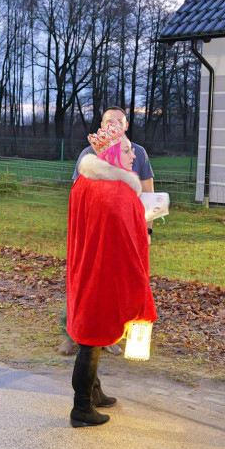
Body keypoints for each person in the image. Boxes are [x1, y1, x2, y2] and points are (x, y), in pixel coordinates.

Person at [66, 123, 156, 427]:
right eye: (128, 151)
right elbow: (129, 242)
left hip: (86, 268)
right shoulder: (117, 191)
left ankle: (94, 391)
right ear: (115, 155)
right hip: (104, 274)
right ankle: (81, 408)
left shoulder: (85, 181)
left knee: (90, 333)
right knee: (92, 337)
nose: (134, 157)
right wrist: (139, 285)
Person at [60, 107, 155, 356]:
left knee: (101, 296)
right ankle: (76, 335)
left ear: (126, 125)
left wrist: (146, 230)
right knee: (89, 296)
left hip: (113, 241)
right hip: (95, 243)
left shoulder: (137, 154)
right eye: (107, 121)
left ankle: (105, 338)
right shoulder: (90, 158)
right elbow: (82, 199)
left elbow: (148, 193)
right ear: (101, 126)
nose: (131, 156)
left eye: (118, 121)